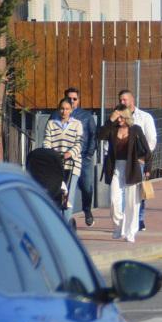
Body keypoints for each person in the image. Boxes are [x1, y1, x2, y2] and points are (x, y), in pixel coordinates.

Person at [99, 105, 150, 243]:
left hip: (132, 167)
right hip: (116, 167)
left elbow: (147, 150)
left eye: (121, 116)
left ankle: (130, 232)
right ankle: (119, 227)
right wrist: (110, 120)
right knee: (114, 201)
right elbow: (100, 135)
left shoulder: (135, 129)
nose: (119, 119)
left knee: (133, 203)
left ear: (127, 116)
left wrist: (147, 169)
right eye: (117, 116)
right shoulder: (112, 129)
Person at [119, 89, 157, 231]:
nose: (122, 102)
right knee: (122, 192)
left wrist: (143, 158)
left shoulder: (144, 117)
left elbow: (151, 140)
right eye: (120, 100)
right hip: (122, 160)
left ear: (132, 100)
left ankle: (139, 219)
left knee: (139, 192)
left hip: (138, 161)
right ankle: (124, 219)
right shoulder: (117, 118)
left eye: (124, 100)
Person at [42, 97, 83, 225]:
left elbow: (79, 143)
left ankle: (66, 224)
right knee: (56, 193)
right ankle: (57, 222)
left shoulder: (77, 124)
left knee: (68, 195)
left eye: (67, 109)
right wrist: (51, 154)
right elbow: (46, 141)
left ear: (71, 110)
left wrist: (70, 153)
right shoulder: (51, 124)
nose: (64, 111)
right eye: (62, 109)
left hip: (72, 164)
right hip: (56, 164)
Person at [64, 87, 98, 227]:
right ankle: (65, 216)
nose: (72, 101)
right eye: (69, 98)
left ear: (79, 100)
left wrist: (89, 154)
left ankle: (87, 210)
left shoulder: (86, 116)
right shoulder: (57, 115)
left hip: (83, 157)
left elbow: (93, 135)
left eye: (75, 99)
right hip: (65, 158)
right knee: (64, 188)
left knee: (86, 187)